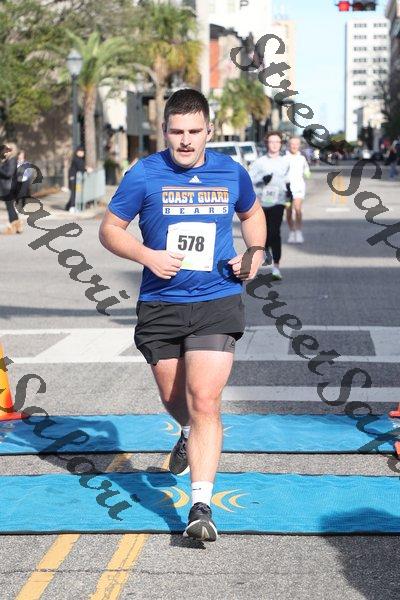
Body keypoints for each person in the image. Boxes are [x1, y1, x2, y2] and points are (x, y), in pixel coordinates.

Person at [99, 88, 266, 541]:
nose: (186, 140)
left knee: (205, 399)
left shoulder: (231, 172)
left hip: (216, 299)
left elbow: (252, 214)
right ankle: (187, 429)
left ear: (209, 130)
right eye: (177, 132)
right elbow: (110, 229)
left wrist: (254, 252)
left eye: (194, 131)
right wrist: (147, 256)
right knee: (177, 400)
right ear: (165, 131)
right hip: (161, 304)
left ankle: (201, 506)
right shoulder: (144, 174)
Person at [249, 131, 290, 280]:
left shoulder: (285, 162)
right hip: (261, 202)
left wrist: (289, 190)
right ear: (266, 144)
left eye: (277, 142)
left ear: (280, 144)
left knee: (275, 232)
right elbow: (250, 179)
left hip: (278, 201)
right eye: (271, 142)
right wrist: (262, 179)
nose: (274, 145)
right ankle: (264, 251)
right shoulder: (259, 162)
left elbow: (287, 179)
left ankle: (276, 267)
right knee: (264, 233)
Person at [286, 137, 310, 244]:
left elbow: (307, 170)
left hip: (299, 188)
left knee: (297, 209)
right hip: (286, 189)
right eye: (292, 144)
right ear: (288, 145)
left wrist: (307, 173)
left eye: (296, 144)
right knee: (288, 212)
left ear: (299, 146)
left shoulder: (302, 158)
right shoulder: (284, 158)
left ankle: (298, 231)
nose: (294, 146)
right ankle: (292, 231)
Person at [0, 142, 23, 235]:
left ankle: (13, 227)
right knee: (10, 207)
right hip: (7, 187)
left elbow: (8, 173)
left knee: (10, 208)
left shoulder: (12, 160)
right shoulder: (8, 160)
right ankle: (18, 226)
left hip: (8, 187)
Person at [65, 146, 87, 213]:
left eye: (82, 152)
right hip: (73, 177)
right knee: (73, 192)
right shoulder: (76, 159)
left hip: (76, 178)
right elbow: (80, 167)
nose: (81, 153)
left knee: (74, 192)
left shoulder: (80, 159)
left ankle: (68, 206)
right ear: (77, 152)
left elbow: (82, 167)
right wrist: (86, 170)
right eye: (80, 151)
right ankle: (72, 207)